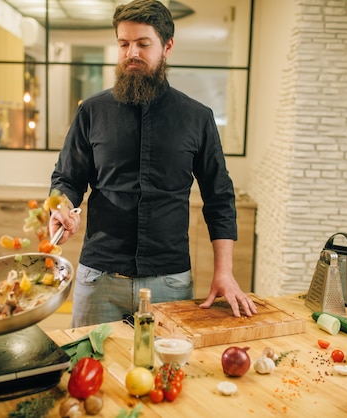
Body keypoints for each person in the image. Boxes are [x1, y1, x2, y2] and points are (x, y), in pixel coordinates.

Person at [49, 0, 257, 327]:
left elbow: (219, 198)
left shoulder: (197, 118)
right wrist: (62, 206)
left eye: (143, 44)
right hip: (99, 279)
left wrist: (224, 271)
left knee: (163, 375)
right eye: (123, 43)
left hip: (170, 282)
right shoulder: (91, 111)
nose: (132, 52)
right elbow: (68, 179)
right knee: (87, 371)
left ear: (167, 47)